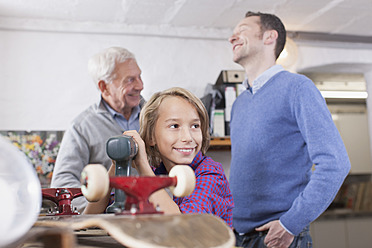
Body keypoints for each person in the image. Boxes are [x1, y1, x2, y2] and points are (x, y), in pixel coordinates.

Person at [228, 11, 351, 248]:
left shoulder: (298, 88)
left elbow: (335, 163)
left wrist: (290, 224)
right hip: (239, 237)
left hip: (278, 238)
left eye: (242, 30)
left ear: (269, 37)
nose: (232, 37)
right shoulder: (239, 103)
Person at [84, 87, 234, 227]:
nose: (188, 137)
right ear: (151, 137)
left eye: (195, 126)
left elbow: (183, 228)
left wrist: (143, 166)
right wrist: (118, 163)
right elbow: (89, 222)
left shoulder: (210, 174)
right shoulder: (158, 174)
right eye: (174, 126)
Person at [51, 47, 145, 213]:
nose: (140, 86)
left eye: (139, 77)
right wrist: (97, 209)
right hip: (107, 221)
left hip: (155, 214)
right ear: (104, 87)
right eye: (130, 80)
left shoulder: (157, 114)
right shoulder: (81, 126)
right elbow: (63, 183)